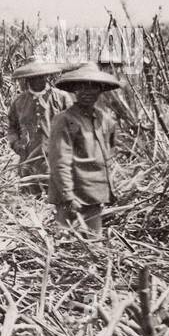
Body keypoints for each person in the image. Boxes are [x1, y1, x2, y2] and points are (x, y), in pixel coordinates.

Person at [48, 63, 121, 236]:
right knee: (65, 241)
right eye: (82, 87)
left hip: (94, 192)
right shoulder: (64, 120)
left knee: (94, 243)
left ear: (100, 90)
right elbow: (59, 160)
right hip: (71, 193)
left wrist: (109, 187)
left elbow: (110, 152)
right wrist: (68, 195)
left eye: (93, 87)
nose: (87, 92)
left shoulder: (105, 119)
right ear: (74, 90)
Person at [5, 57, 73, 195]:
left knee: (57, 198)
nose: (38, 80)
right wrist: (16, 144)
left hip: (55, 158)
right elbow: (12, 127)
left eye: (41, 76)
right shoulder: (19, 102)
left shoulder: (61, 98)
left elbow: (73, 125)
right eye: (33, 77)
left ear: (47, 76)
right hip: (28, 159)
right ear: (27, 79)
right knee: (30, 196)